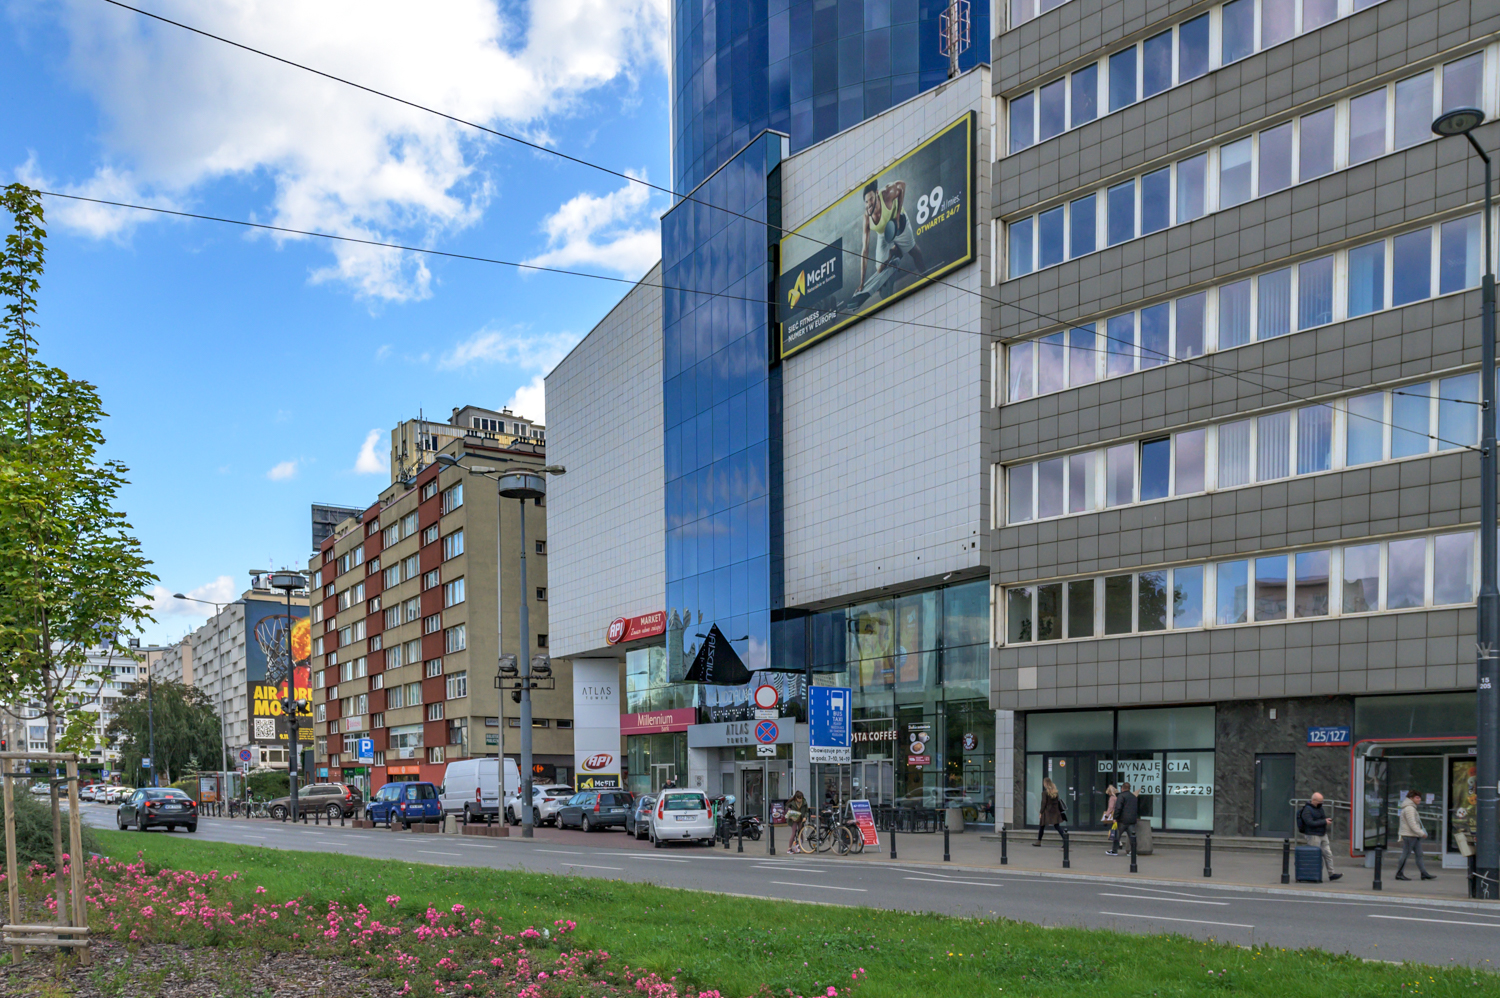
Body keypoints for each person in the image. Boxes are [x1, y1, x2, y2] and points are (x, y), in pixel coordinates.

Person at [854, 179, 928, 308]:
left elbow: (902, 185)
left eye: (871, 199)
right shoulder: (866, 217)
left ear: (877, 194)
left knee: (914, 252)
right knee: (880, 269)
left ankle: (926, 275)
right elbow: (864, 250)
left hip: (898, 226)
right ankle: (895, 251)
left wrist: (898, 216)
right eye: (866, 202)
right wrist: (861, 282)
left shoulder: (887, 194)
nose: (869, 204)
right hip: (883, 234)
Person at [1297, 792, 1342, 881]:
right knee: (1316, 856)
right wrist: (1324, 822)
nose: (1321, 803)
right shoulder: (1307, 810)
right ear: (1313, 800)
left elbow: (1321, 819)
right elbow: (1310, 823)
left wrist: (1326, 820)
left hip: (1322, 834)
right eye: (1319, 801)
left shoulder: (1319, 808)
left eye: (1322, 801)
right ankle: (1315, 875)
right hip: (1313, 835)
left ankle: (1331, 874)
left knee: (1328, 854)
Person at [1394, 790, 1436, 881]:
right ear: (1411, 798)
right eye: (1417, 797)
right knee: (1406, 854)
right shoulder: (1409, 808)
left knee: (1419, 854)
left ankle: (1424, 873)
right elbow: (1412, 823)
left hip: (1413, 835)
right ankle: (1399, 873)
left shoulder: (1411, 807)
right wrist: (1421, 833)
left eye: (1420, 797)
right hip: (1409, 835)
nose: (1419, 799)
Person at [1033, 777, 1068, 847]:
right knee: (1057, 826)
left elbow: (1043, 803)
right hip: (1055, 811)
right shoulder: (1055, 792)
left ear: (1045, 783)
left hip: (1047, 811)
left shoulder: (1044, 793)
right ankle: (1065, 840)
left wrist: (1041, 812)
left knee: (1042, 826)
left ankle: (1038, 841)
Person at [1109, 782, 1138, 856]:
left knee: (1117, 836)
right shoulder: (1134, 796)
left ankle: (1114, 851)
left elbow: (1118, 808)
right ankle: (1133, 851)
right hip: (1131, 820)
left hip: (1122, 820)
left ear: (1122, 788)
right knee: (1132, 837)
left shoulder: (1121, 796)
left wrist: (1115, 817)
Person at [785, 790, 808, 855]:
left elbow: (806, 811)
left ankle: (800, 846)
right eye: (799, 798)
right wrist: (789, 814)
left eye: (801, 798)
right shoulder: (792, 803)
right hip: (793, 820)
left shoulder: (804, 802)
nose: (800, 800)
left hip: (801, 819)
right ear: (796, 798)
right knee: (794, 832)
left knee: (801, 832)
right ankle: (789, 848)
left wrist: (805, 817)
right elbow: (786, 808)